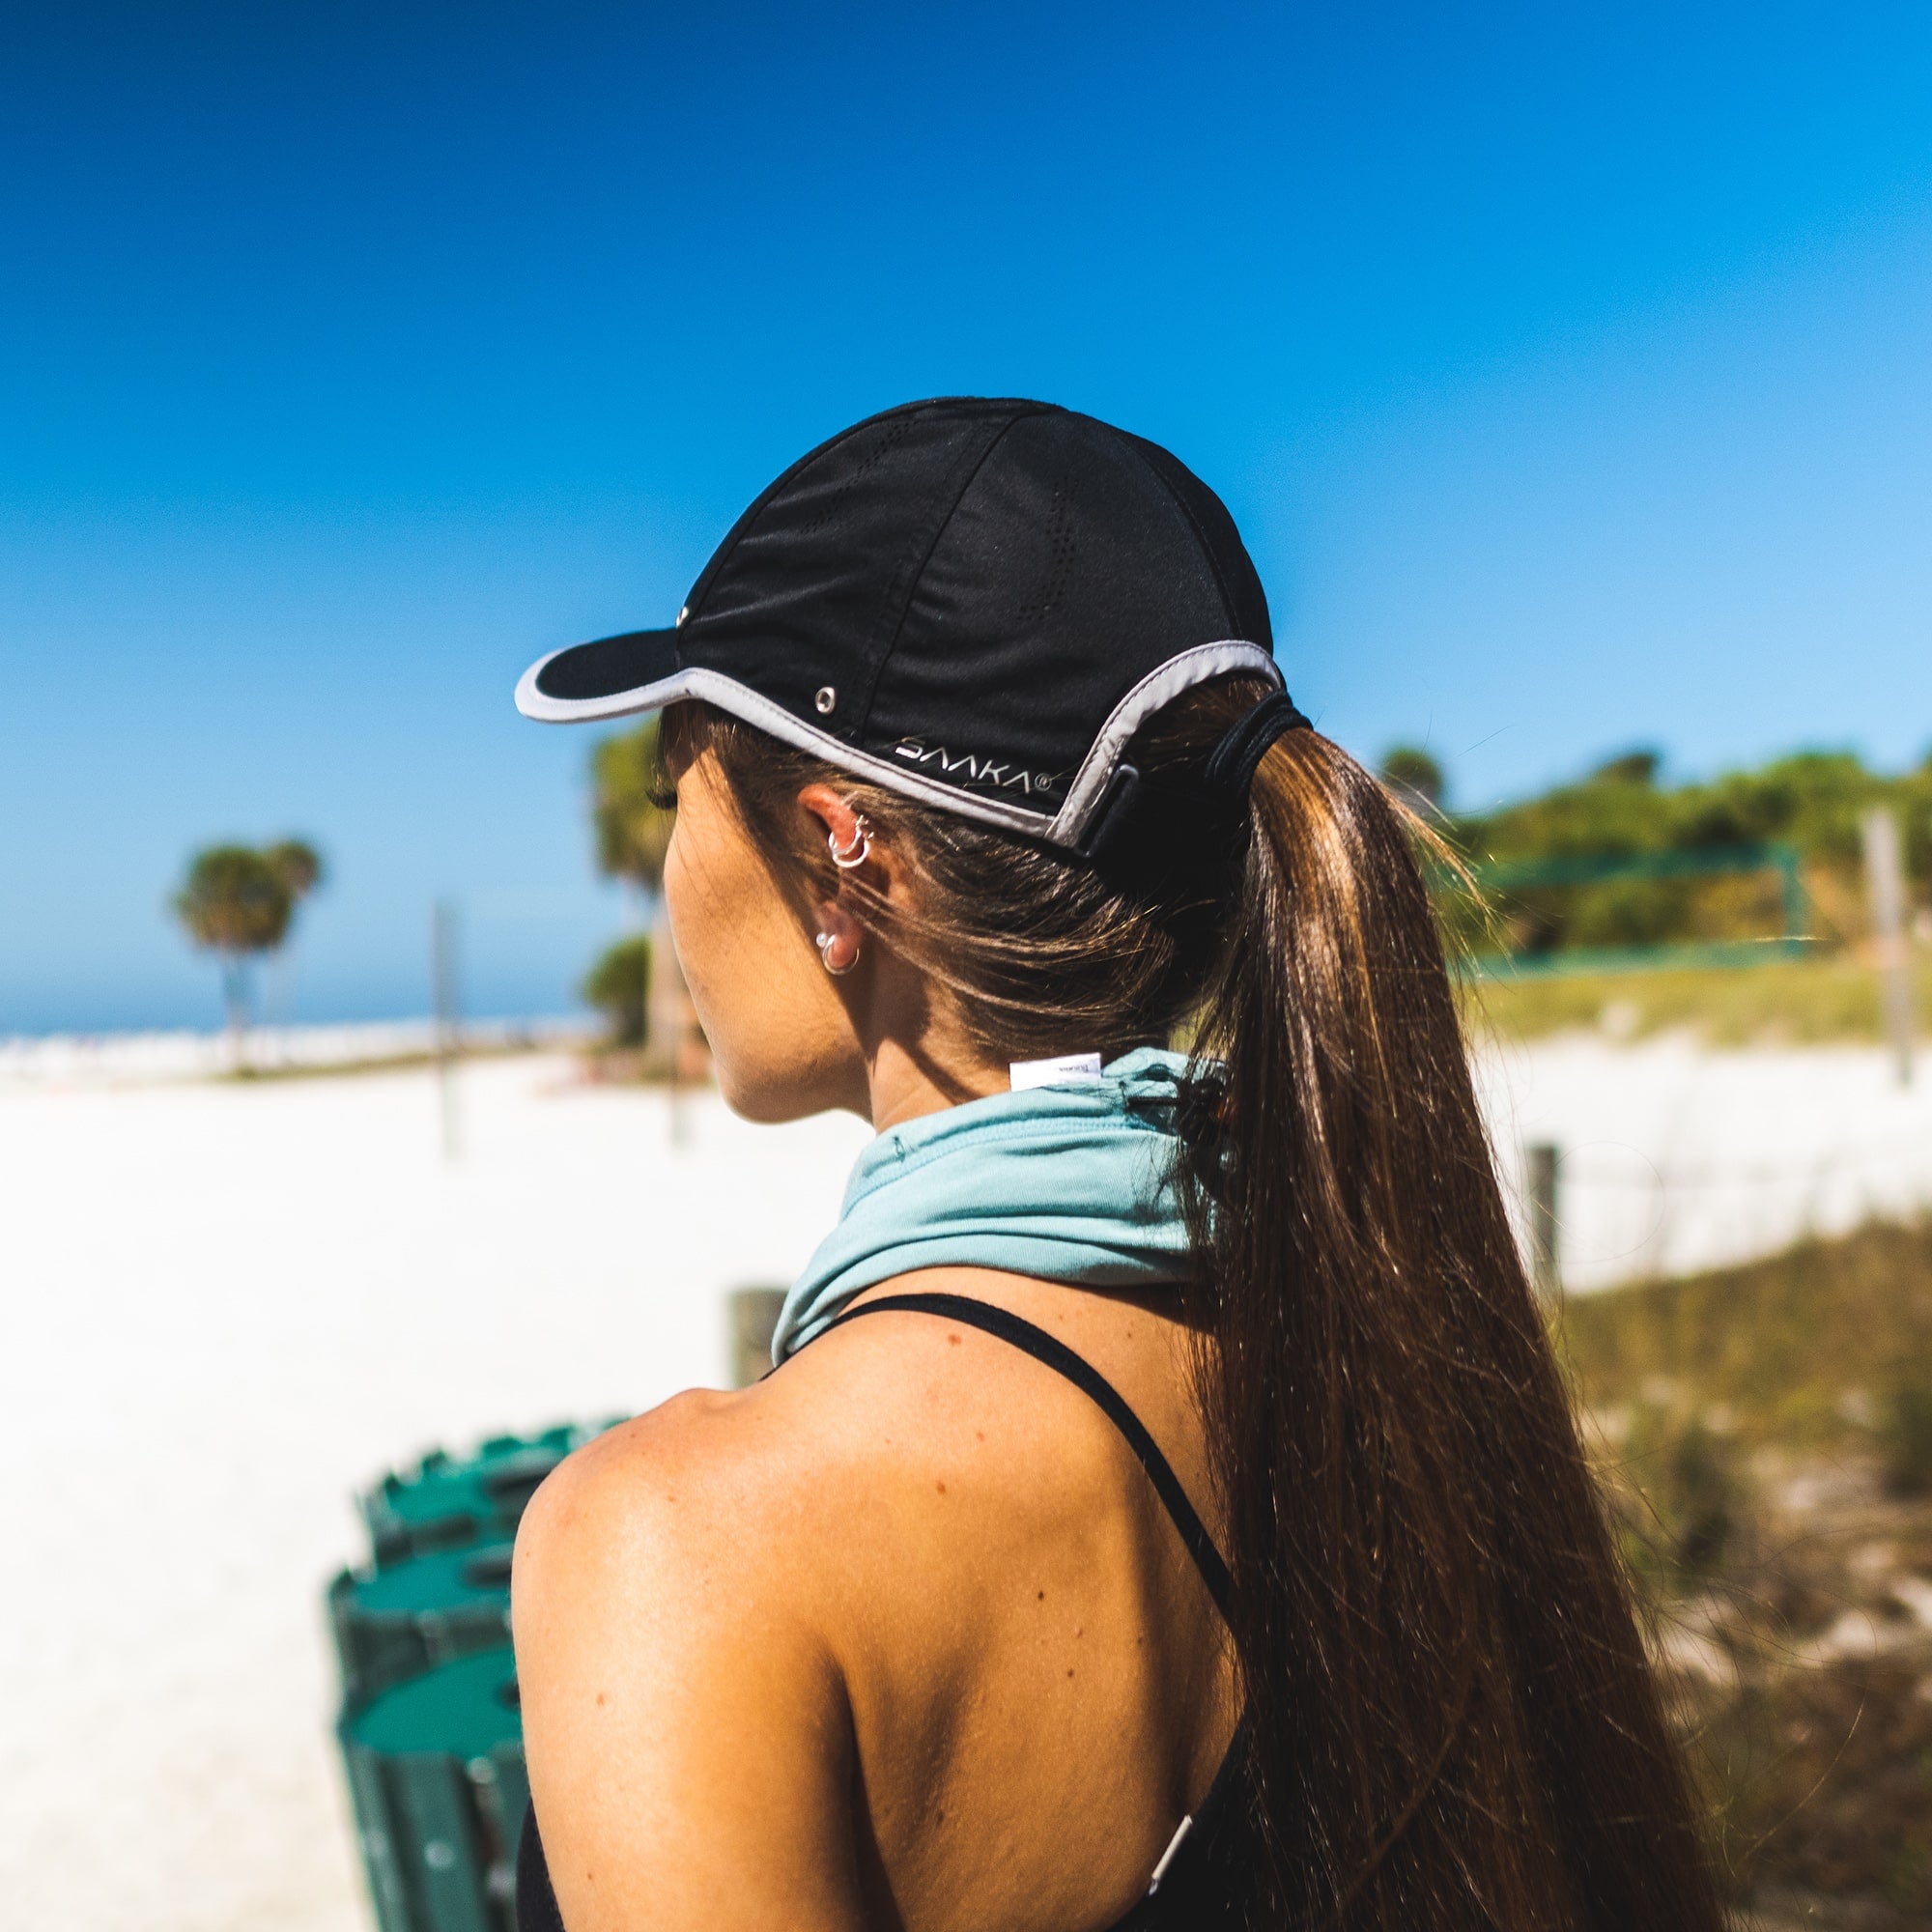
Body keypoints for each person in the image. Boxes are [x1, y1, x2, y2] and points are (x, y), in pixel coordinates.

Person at [508, 398, 1720, 1932]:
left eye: (666, 784)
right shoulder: (1378, 1355)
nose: (667, 862)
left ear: (837, 856)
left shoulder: (684, 1552)